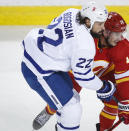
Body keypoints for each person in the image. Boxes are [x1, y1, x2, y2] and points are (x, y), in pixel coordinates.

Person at [32, 12, 129, 131]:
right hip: (76, 71)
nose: (121, 38)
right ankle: (49, 110)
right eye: (117, 34)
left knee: (114, 103)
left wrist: (127, 102)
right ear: (106, 32)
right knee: (64, 99)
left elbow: (125, 76)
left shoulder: (122, 45)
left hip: (105, 71)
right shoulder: (86, 41)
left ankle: (105, 129)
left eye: (123, 33)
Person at [21, 1, 116, 131]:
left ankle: (61, 125)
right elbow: (84, 78)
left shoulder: (71, 12)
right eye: (99, 24)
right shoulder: (85, 45)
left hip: (40, 55)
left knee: (73, 97)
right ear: (88, 21)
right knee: (72, 109)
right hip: (38, 71)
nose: (103, 28)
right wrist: (104, 87)